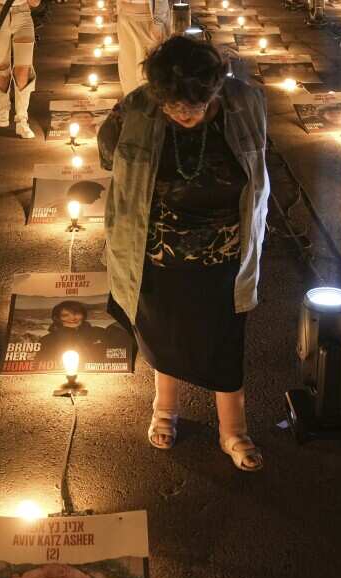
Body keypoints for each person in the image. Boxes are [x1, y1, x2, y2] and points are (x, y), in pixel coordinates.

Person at [98, 36, 269, 471]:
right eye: (173, 106)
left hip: (225, 254)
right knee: (164, 335)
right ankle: (165, 408)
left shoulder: (245, 103)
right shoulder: (136, 109)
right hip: (155, 252)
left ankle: (234, 430)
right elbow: (107, 154)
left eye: (195, 106)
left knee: (224, 339)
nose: (184, 114)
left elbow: (259, 166)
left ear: (216, 90)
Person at [0, 0, 40, 138]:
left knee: (23, 70)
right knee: (2, 68)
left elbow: (35, 3)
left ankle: (22, 120)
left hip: (23, 15)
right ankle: (3, 108)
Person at [116, 0, 169, 93]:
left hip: (147, 20)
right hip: (125, 16)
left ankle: (151, 106)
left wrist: (158, 21)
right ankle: (132, 104)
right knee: (128, 70)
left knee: (147, 73)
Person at [37, 300, 111, 364]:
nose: (72, 318)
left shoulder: (99, 332)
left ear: (83, 315)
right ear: (57, 318)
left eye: (76, 313)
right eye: (65, 315)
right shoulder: (46, 341)